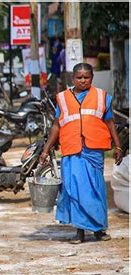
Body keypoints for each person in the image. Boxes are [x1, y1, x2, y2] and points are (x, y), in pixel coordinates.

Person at [40, 62, 123, 244]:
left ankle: (99, 230)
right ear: (73, 79)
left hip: (93, 152)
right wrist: (46, 150)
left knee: (95, 190)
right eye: (79, 77)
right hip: (71, 150)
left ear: (92, 78)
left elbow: (110, 123)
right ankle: (79, 232)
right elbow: (56, 125)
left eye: (86, 77)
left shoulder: (102, 97)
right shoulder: (62, 98)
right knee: (74, 190)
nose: (83, 80)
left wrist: (118, 146)